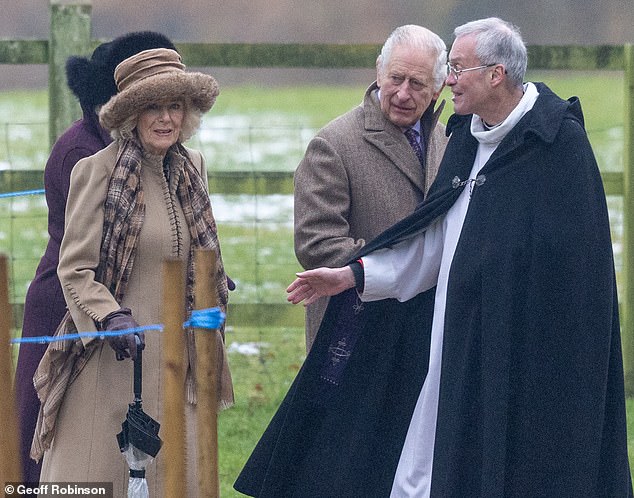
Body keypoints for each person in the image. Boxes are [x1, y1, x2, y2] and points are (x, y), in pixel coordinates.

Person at [236, 17, 632, 497]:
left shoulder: (554, 144)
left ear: (496, 74)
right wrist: (356, 276)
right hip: (457, 345)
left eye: (456, 69)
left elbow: (574, 273)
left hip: (527, 356)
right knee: (425, 472)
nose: (448, 80)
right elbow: (436, 242)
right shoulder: (467, 136)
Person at [31, 48, 233, 497]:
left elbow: (197, 246)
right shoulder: (96, 171)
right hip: (117, 360)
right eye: (153, 107)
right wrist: (109, 316)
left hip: (180, 358)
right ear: (131, 115)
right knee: (107, 477)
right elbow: (75, 269)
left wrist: (212, 283)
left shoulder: (193, 169)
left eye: (174, 106)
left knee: (179, 477)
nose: (165, 118)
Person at [13, 31, 177, 484]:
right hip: (68, 304)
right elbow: (99, 251)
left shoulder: (129, 147)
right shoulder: (83, 152)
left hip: (110, 304)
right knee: (53, 430)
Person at [294, 24, 448, 350]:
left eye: (417, 83)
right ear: (379, 71)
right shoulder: (333, 144)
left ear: (437, 89)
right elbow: (316, 245)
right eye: (396, 78)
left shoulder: (447, 140)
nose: (403, 93)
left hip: (425, 331)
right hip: (353, 336)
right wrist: (403, 270)